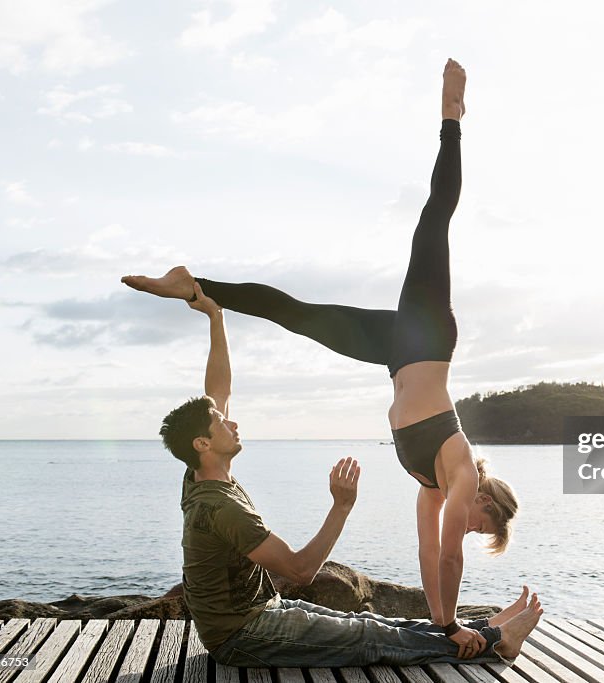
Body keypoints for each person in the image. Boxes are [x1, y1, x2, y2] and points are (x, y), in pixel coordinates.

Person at [124, 58, 518, 655]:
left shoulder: (428, 478)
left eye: (475, 530)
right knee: (432, 223)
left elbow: (424, 552)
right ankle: (451, 117)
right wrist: (451, 626)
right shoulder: (461, 472)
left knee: (299, 316)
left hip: (395, 353)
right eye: (481, 525)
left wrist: (446, 624)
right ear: (486, 502)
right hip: (428, 336)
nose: (469, 526)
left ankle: (196, 286)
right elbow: (446, 552)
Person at [158, 282, 541, 668]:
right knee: (368, 639)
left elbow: (217, 389)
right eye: (221, 423)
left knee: (368, 623)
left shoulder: (202, 474)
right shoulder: (220, 507)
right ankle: (496, 641)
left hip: (257, 615)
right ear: (203, 444)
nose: (232, 422)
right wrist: (341, 507)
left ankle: (479, 629)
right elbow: (301, 570)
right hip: (243, 636)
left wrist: (215, 316)